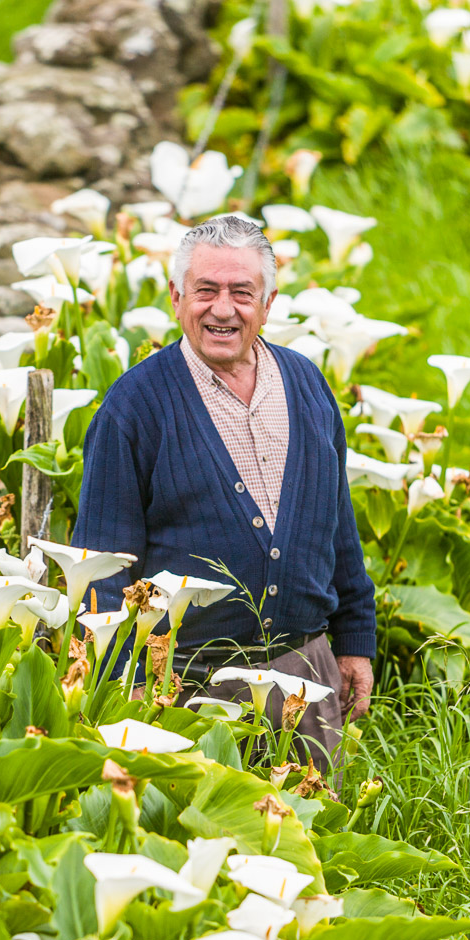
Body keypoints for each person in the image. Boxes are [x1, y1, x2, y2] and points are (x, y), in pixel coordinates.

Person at [71, 213, 376, 769]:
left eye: (242, 292)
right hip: (185, 688)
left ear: (269, 302)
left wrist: (355, 636)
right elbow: (100, 564)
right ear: (176, 296)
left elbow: (336, 524)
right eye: (206, 290)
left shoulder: (307, 384)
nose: (222, 309)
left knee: (307, 846)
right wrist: (126, 680)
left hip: (304, 678)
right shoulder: (134, 406)